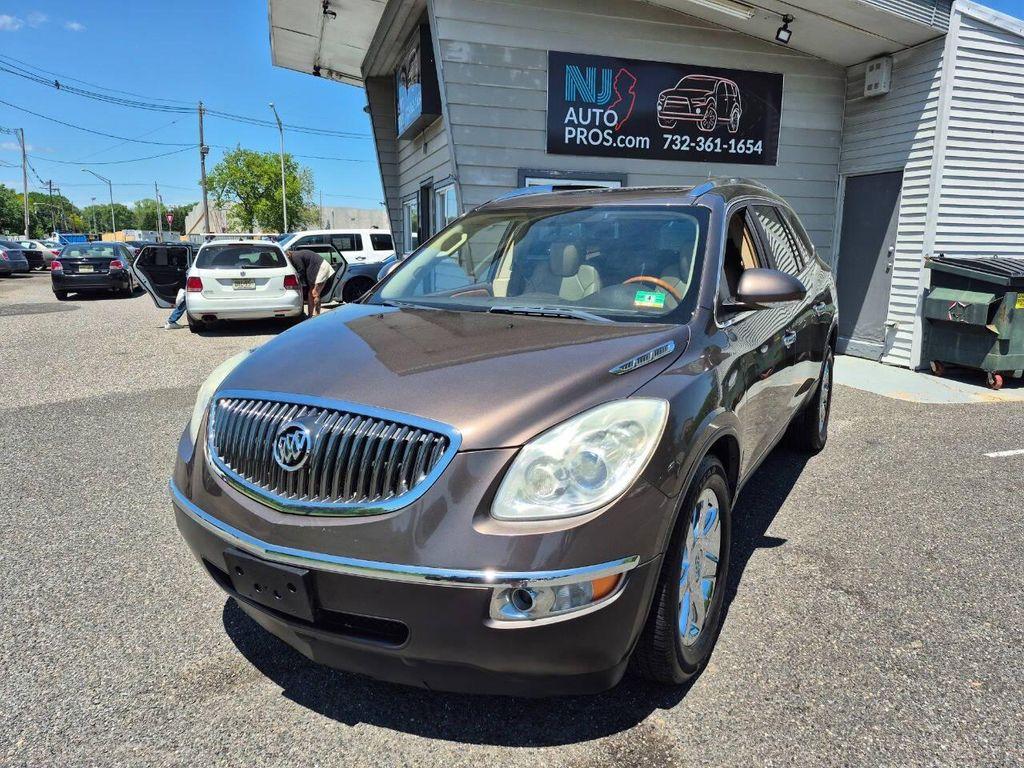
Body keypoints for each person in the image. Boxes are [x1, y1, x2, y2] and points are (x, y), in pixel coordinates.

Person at [286, 247, 333, 317]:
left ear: (287, 256)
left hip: (321, 268)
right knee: (310, 293)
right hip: (316, 268)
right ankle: (310, 315)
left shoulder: (295, 257)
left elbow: (301, 270)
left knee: (315, 293)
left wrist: (301, 285)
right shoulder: (296, 255)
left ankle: (317, 315)